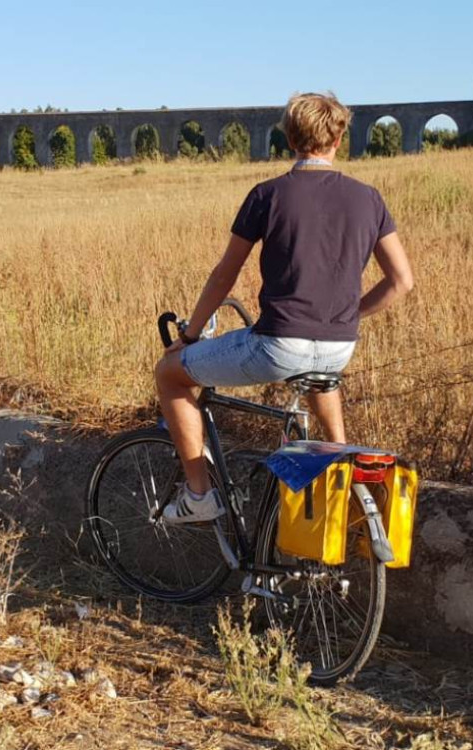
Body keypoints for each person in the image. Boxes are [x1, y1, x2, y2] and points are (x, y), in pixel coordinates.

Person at [154, 92, 414, 525]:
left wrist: (189, 336)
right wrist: (350, 314)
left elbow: (224, 276)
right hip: (338, 346)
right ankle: (344, 471)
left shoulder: (268, 195)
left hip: (278, 345)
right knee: (320, 376)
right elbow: (401, 281)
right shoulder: (369, 199)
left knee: (170, 374)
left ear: (289, 137)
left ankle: (199, 496)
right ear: (339, 138)